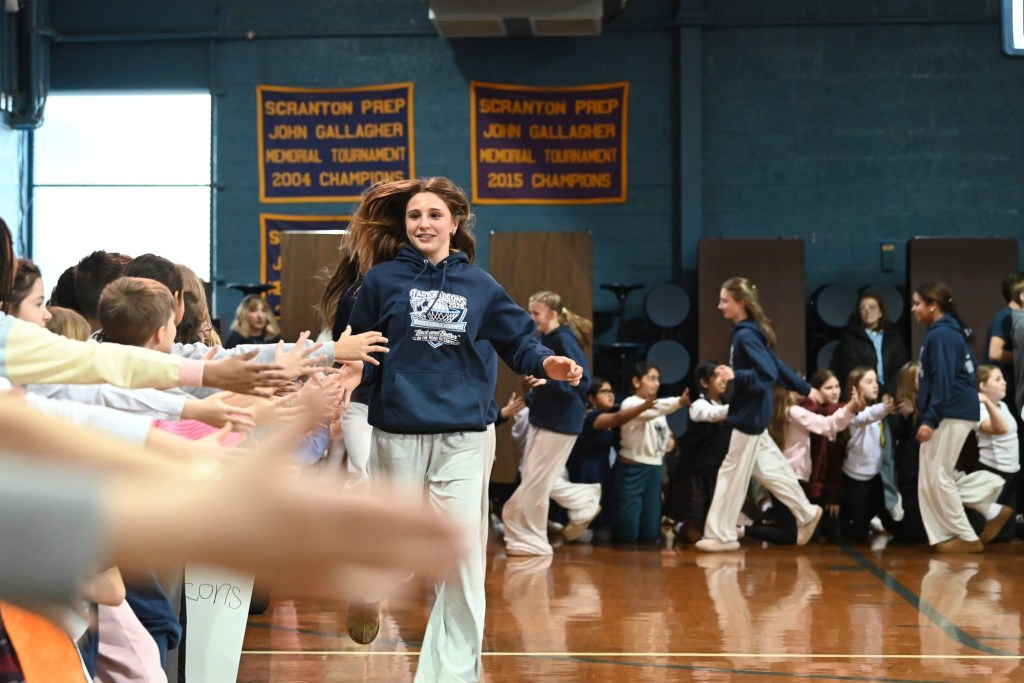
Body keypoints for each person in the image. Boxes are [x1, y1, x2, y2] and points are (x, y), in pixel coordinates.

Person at [342, 177, 582, 682]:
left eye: (433, 214)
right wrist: (344, 384)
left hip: (465, 439)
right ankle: (367, 591)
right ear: (404, 226)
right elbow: (360, 351)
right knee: (392, 546)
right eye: (414, 216)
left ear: (455, 222)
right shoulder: (382, 282)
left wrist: (549, 362)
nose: (423, 223)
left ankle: (450, 676)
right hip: (398, 432)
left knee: (462, 558)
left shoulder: (481, 286)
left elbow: (520, 343)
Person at [695, 277, 825, 553]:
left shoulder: (745, 335)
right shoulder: (749, 332)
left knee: (731, 473)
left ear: (740, 303)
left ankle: (721, 534)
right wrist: (804, 387)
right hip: (754, 413)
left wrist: (736, 374)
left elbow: (766, 374)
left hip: (750, 414)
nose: (720, 306)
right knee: (771, 469)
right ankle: (806, 512)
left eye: (724, 301)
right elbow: (775, 365)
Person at [503, 290, 600, 555]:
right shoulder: (549, 338)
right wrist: (537, 390)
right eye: (531, 313)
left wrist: (547, 382)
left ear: (553, 314)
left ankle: (533, 537)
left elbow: (583, 381)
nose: (532, 318)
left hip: (560, 422)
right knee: (537, 478)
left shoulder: (562, 338)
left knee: (536, 481)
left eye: (536, 313)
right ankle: (581, 501)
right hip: (550, 419)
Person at [912, 281, 1000, 553]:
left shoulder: (942, 335)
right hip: (952, 410)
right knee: (931, 477)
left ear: (933, 305)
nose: (914, 309)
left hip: (951, 411)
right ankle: (986, 511)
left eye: (917, 304)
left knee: (938, 476)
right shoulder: (942, 333)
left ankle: (965, 536)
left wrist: (931, 418)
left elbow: (944, 380)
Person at [564, 377, 655, 540]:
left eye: (611, 391)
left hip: (602, 473)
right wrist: (644, 406)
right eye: (604, 391)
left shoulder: (605, 417)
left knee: (603, 531)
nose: (610, 395)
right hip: (585, 475)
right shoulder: (590, 416)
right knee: (585, 533)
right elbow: (618, 419)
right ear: (591, 399)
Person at [611, 362, 689, 543]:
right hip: (632, 469)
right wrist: (681, 401)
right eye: (652, 378)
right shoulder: (630, 403)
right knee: (628, 526)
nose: (657, 383)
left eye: (658, 379)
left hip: (654, 469)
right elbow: (655, 408)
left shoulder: (656, 408)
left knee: (651, 527)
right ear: (636, 381)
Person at [664, 361, 731, 544]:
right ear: (704, 381)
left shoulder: (725, 403)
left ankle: (680, 527)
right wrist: (742, 407)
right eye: (718, 375)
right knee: (694, 533)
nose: (724, 380)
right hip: (696, 470)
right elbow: (713, 414)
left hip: (717, 469)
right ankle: (678, 528)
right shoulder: (699, 404)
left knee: (712, 528)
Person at [839, 367, 897, 541]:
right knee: (858, 533)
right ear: (856, 388)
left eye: (876, 381)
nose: (875, 386)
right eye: (869, 382)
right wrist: (885, 407)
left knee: (878, 508)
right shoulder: (852, 413)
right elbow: (866, 417)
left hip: (874, 475)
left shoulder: (875, 411)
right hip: (856, 478)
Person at [832, 292, 908, 400]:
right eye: (863, 308)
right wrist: (878, 391)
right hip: (863, 396)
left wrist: (889, 392)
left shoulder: (894, 336)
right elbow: (854, 369)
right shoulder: (851, 338)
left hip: (892, 395)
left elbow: (900, 367)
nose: (867, 311)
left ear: (881, 312)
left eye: (872, 307)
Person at [973, 364, 1018, 541]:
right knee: (985, 531)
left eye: (1003, 379)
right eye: (997, 379)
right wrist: (985, 401)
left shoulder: (1003, 406)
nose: (1004, 383)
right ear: (982, 386)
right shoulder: (980, 408)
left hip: (1011, 471)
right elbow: (999, 429)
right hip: (993, 471)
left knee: (1006, 533)